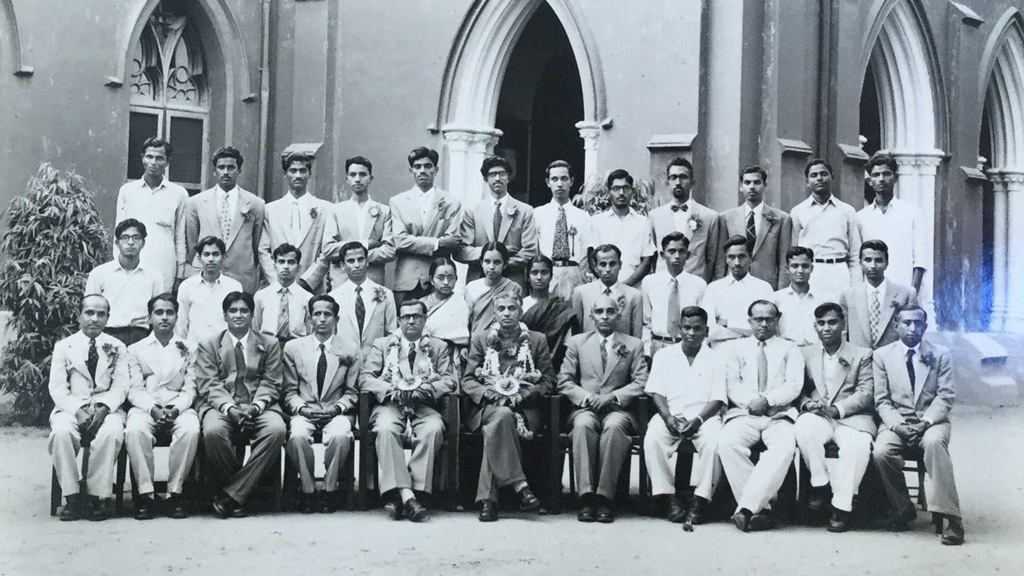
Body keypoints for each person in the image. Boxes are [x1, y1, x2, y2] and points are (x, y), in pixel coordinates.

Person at [872, 305, 964, 545]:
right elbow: (881, 400)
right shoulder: (882, 355)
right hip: (897, 421)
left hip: (931, 421)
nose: (913, 328)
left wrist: (925, 422)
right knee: (881, 452)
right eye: (906, 323)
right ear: (896, 326)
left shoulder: (940, 353)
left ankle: (952, 517)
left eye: (918, 323)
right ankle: (902, 509)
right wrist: (898, 425)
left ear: (925, 326)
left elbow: (945, 396)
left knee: (934, 443)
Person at [361, 299, 458, 522]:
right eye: (406, 317)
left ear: (425, 320)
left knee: (433, 429)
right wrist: (390, 389)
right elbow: (366, 379)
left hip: (423, 405)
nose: (411, 321)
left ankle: (407, 493)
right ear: (399, 320)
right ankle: (408, 497)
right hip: (391, 405)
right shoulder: (383, 344)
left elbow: (449, 380)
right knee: (385, 429)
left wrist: (428, 390)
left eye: (416, 316)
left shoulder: (438, 346)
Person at [462, 293, 555, 522]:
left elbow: (548, 380)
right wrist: (488, 393)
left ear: (520, 311)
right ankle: (520, 487)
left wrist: (525, 394)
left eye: (511, 308)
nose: (506, 313)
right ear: (494, 313)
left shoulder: (536, 339)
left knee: (501, 423)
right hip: (489, 407)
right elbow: (468, 380)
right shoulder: (481, 339)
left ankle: (489, 500)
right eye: (501, 308)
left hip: (523, 409)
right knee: (501, 416)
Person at [195, 291, 287, 519]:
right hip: (222, 406)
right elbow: (208, 383)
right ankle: (243, 492)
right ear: (225, 316)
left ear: (252, 315)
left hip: (259, 405)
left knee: (277, 430)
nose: (238, 315)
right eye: (233, 311)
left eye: (244, 310)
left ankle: (230, 496)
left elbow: (272, 381)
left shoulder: (269, 343)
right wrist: (231, 409)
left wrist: (255, 407)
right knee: (213, 432)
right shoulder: (209, 344)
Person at [557, 295, 647, 523]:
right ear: (592, 316)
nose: (605, 316)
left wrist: (613, 397)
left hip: (617, 409)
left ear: (618, 315)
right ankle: (586, 496)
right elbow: (564, 380)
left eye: (610, 311)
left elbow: (641, 381)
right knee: (583, 426)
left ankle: (605, 497)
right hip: (585, 408)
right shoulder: (578, 343)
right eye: (599, 312)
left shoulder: (633, 344)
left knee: (615, 427)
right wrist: (587, 397)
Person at [718, 300, 804, 532]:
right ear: (750, 321)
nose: (764, 323)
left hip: (779, 414)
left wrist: (768, 401)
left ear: (777, 320)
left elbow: (794, 385)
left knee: (785, 447)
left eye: (769, 319)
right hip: (745, 413)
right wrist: (752, 403)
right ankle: (762, 509)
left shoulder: (790, 349)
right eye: (758, 319)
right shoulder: (735, 348)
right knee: (727, 443)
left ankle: (745, 509)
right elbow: (731, 384)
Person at [793, 302, 875, 532]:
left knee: (857, 446)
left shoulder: (862, 354)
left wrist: (837, 409)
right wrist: (808, 403)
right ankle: (820, 485)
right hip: (819, 417)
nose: (826, 328)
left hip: (851, 417)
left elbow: (866, 393)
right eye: (821, 323)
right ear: (815, 327)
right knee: (803, 428)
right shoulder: (806, 353)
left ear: (843, 325)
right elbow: (799, 389)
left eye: (832, 322)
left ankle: (841, 506)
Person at [643, 306, 726, 528]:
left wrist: (698, 420)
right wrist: (667, 417)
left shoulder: (716, 358)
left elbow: (718, 398)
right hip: (671, 414)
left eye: (697, 328)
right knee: (652, 439)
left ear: (706, 331)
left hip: (704, 417)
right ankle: (668, 497)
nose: (691, 333)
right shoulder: (664, 355)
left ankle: (701, 500)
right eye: (686, 328)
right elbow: (656, 392)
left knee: (715, 443)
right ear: (679, 329)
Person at [48, 295, 129, 522]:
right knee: (61, 433)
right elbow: (57, 388)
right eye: (89, 313)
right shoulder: (64, 346)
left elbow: (122, 386)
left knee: (112, 433)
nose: (94, 319)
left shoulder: (117, 347)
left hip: (107, 409)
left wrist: (104, 409)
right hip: (71, 408)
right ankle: (72, 497)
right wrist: (78, 410)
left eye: (101, 314)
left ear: (107, 318)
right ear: (79, 316)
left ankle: (96, 496)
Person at [124, 294, 201, 520]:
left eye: (170, 312)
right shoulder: (136, 349)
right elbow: (135, 389)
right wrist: (153, 409)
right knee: (135, 430)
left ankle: (175, 493)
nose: (164, 318)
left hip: (179, 406)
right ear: (149, 318)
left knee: (190, 430)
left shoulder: (189, 348)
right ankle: (145, 495)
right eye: (159, 313)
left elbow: (190, 389)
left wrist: (175, 409)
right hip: (147, 406)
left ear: (177, 316)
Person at [282, 295, 360, 514]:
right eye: (317, 314)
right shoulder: (293, 348)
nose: (322, 319)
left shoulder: (350, 349)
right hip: (305, 410)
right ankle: (307, 490)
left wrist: (337, 409)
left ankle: (329, 488)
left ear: (336, 319)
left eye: (328, 314)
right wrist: (303, 409)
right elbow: (289, 390)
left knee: (341, 435)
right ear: (310, 318)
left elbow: (353, 391)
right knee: (296, 435)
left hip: (336, 411)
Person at [307, 155, 396, 291]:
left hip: (373, 282)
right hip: (341, 282)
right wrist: (365, 244)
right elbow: (328, 248)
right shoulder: (336, 210)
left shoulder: (383, 211)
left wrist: (359, 258)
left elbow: (389, 251)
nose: (358, 179)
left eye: (362, 174)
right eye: (353, 175)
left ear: (370, 178)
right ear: (347, 179)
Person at [184, 146, 266, 294]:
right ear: (215, 171)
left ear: (239, 171)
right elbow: (193, 243)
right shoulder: (196, 202)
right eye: (221, 167)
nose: (226, 172)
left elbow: (256, 243)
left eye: (231, 167)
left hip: (242, 275)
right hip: (206, 275)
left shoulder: (255, 204)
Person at [115, 137, 189, 292]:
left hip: (164, 268)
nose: (153, 162)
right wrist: (117, 265)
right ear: (142, 158)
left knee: (160, 312)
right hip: (132, 265)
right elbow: (118, 233)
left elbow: (180, 236)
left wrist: (180, 274)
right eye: (149, 157)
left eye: (159, 158)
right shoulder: (127, 191)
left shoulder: (179, 193)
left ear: (167, 162)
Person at [389, 147, 463, 302]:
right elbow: (400, 241)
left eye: (427, 166)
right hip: (407, 280)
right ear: (411, 171)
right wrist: (438, 242)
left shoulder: (451, 202)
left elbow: (452, 242)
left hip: (439, 280)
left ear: (436, 170)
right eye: (417, 167)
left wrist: (415, 243)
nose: (422, 171)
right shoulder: (398, 202)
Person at [458, 155, 539, 288]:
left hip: (512, 281)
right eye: (492, 174)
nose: (497, 178)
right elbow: (462, 251)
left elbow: (530, 250)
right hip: (479, 280)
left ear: (508, 177)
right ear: (485, 179)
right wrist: (494, 257)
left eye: (502, 174)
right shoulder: (473, 212)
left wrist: (502, 265)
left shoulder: (524, 211)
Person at [257, 151, 332, 290]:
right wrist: (277, 282)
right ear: (285, 174)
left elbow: (326, 251)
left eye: (303, 171)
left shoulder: (325, 209)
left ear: (309, 173)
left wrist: (308, 282)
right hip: (277, 287)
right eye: (293, 171)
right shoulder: (270, 210)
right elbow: (263, 250)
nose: (298, 176)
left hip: (312, 289)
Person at [85, 218, 163, 345]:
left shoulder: (154, 276)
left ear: (143, 243)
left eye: (136, 238)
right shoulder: (99, 274)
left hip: (141, 336)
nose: (130, 242)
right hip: (108, 335)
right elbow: (89, 310)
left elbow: (158, 312)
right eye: (125, 238)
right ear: (117, 242)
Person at [790, 158, 862, 295]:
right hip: (811, 273)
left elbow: (855, 253)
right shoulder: (798, 212)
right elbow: (794, 252)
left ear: (832, 178)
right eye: (814, 175)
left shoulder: (847, 211)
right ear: (807, 182)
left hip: (839, 271)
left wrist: (856, 285)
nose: (819, 178)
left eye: (824, 174)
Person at [857, 153, 927, 292]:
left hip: (903, 288)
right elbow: (858, 261)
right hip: (872, 292)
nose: (881, 179)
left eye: (886, 174)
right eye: (876, 175)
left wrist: (912, 293)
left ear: (895, 178)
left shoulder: (911, 213)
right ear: (870, 181)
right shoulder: (861, 217)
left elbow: (920, 260)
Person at [715, 165, 792, 289]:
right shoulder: (726, 218)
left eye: (757, 182)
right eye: (747, 182)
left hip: (766, 284)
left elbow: (784, 261)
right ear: (741, 186)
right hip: (734, 283)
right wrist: (720, 286)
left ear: (764, 185)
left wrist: (781, 291)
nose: (752, 187)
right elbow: (720, 260)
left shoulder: (781, 219)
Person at [648, 158, 719, 283]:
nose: (678, 182)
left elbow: (712, 258)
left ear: (692, 182)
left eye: (683, 177)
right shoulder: (655, 216)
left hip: (696, 283)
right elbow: (652, 256)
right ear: (667, 182)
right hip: (664, 283)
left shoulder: (709, 216)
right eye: (673, 177)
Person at [532, 160, 594, 299]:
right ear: (548, 182)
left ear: (571, 181)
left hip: (574, 272)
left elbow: (587, 252)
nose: (559, 184)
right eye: (555, 179)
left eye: (564, 179)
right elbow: (534, 249)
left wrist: (581, 276)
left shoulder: (583, 216)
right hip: (547, 272)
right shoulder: (538, 214)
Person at [839, 239, 918, 349]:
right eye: (868, 260)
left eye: (879, 260)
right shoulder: (848, 295)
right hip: (859, 362)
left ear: (886, 264)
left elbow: (913, 331)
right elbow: (842, 333)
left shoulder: (906, 293)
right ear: (860, 263)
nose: (873, 265)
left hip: (892, 362)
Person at [641, 232, 707, 358]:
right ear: (662, 254)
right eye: (671, 251)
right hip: (658, 344)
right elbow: (646, 321)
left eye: (681, 251)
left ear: (687, 255)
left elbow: (702, 323)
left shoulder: (699, 284)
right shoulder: (650, 282)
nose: (676, 256)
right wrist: (647, 351)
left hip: (687, 346)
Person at [327, 242, 397, 358]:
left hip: (376, 360)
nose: (357, 265)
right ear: (343, 265)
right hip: (345, 361)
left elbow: (392, 332)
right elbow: (331, 334)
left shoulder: (385, 294)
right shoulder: (334, 297)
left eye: (360, 259)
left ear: (367, 261)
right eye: (350, 261)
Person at [701, 235, 774, 344]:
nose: (737, 262)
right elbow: (709, 329)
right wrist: (747, 331)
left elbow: (766, 327)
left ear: (750, 258)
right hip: (722, 349)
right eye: (731, 257)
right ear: (726, 259)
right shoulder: (714, 288)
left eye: (741, 256)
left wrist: (727, 323)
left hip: (753, 349)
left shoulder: (764, 288)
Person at [591, 169, 656, 287]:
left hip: (635, 289)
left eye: (625, 188)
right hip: (603, 288)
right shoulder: (596, 222)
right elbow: (592, 259)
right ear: (609, 191)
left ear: (632, 191)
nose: (621, 193)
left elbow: (647, 260)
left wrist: (626, 285)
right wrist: (609, 284)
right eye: (616, 188)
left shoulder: (643, 222)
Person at [176, 236, 243, 342]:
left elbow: (238, 323)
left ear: (223, 257)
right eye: (206, 254)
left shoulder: (234, 287)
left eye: (215, 254)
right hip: (195, 350)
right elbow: (181, 325)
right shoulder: (187, 286)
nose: (211, 259)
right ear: (199, 258)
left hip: (224, 349)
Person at [570, 244, 642, 337]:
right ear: (595, 267)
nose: (608, 269)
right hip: (589, 349)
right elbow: (576, 336)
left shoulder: (633, 295)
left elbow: (636, 338)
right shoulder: (581, 292)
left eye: (612, 264)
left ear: (620, 265)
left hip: (622, 349)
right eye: (603, 264)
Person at [772, 246, 835, 347]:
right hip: (785, 353)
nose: (800, 270)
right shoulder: (776, 299)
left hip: (816, 353)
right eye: (795, 266)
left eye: (805, 266)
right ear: (787, 269)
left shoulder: (824, 300)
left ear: (811, 268)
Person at [253, 243, 313, 346]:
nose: (285, 266)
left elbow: (310, 332)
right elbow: (256, 328)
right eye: (281, 262)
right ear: (275, 266)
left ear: (298, 267)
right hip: (268, 348)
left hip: (297, 346)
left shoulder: (307, 298)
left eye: (291, 262)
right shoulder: (261, 296)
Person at [521, 256, 578, 365]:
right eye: (534, 273)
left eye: (544, 272)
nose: (539, 277)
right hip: (523, 362)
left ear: (551, 276)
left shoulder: (561, 308)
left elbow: (566, 343)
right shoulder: (521, 305)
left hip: (554, 363)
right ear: (527, 276)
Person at [421, 257, 470, 368]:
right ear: (432, 279)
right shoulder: (421, 304)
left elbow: (463, 336)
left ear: (456, 279)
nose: (446, 282)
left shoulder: (461, 303)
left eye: (450, 278)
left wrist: (464, 348)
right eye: (441, 278)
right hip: (426, 353)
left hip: (451, 356)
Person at [465, 241, 524, 334]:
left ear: (505, 264)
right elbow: (467, 322)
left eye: (497, 262)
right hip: (477, 343)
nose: (491, 267)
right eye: (487, 261)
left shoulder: (514, 288)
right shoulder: (471, 288)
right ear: (481, 262)